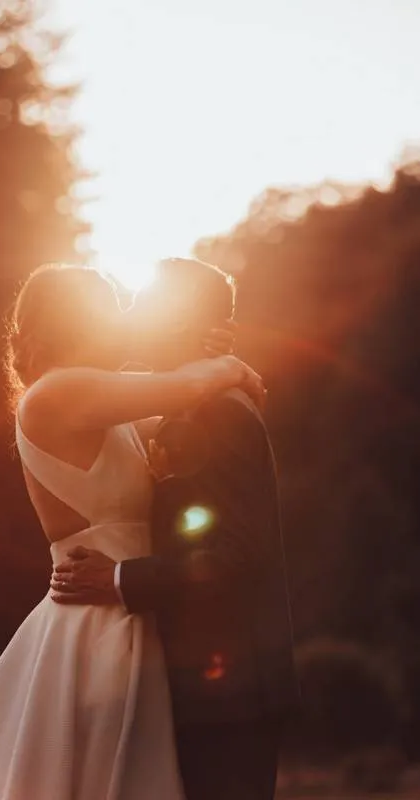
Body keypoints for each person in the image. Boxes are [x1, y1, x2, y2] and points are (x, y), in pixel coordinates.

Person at [0, 263, 257, 800]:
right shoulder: (59, 392)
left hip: (128, 605)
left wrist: (207, 358)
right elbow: (188, 388)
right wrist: (226, 365)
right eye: (112, 306)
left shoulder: (100, 401)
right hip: (102, 624)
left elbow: (189, 412)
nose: (124, 318)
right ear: (76, 319)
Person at [52, 257, 300, 800]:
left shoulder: (221, 414)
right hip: (201, 685)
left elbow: (236, 552)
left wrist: (119, 578)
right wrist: (227, 364)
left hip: (231, 694)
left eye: (144, 301)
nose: (132, 312)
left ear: (181, 318)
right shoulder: (187, 407)